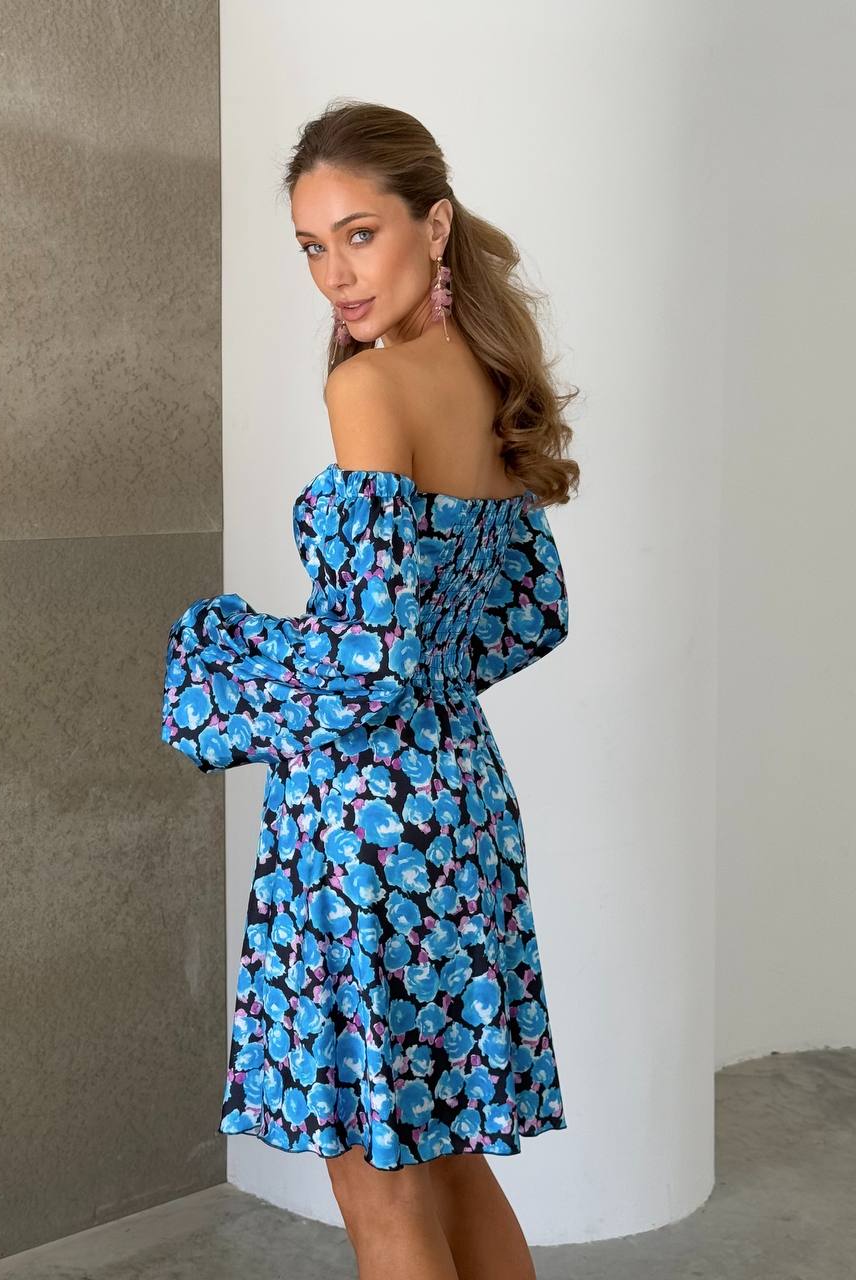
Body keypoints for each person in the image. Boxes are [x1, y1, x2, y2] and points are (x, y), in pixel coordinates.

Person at [160, 99, 580, 1280]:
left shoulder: (369, 390)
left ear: (433, 225)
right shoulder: (492, 377)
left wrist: (217, 658)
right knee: (446, 1159)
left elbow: (368, 655)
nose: (334, 274)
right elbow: (527, 615)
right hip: (461, 812)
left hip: (360, 830)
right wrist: (413, 669)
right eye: (310, 246)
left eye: (359, 234)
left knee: (379, 1189)